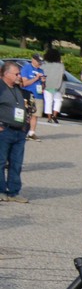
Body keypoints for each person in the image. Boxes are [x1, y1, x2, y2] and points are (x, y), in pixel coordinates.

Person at [0, 63, 27, 203]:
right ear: (6, 74)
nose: (19, 76)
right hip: (4, 130)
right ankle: (1, 190)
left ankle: (14, 191)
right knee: (1, 161)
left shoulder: (17, 88)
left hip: (19, 132)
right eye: (16, 74)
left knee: (16, 163)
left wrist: (24, 126)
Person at [41, 49, 65, 123]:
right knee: (58, 100)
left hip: (47, 85)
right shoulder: (61, 66)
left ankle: (49, 118)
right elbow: (62, 75)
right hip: (58, 86)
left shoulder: (44, 65)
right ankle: (55, 115)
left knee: (48, 101)